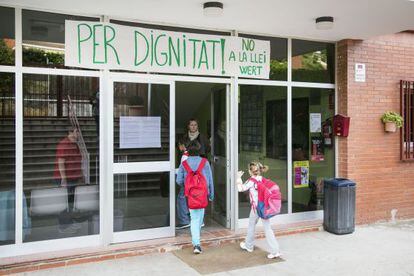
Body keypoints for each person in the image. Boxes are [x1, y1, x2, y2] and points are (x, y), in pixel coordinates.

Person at [237, 161, 282, 259]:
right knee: (264, 227)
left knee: (252, 225)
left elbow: (240, 189)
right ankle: (274, 250)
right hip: (264, 207)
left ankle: (250, 246)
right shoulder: (262, 179)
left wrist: (238, 178)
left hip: (256, 208)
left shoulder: (251, 181)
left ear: (250, 171)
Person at [176, 140, 214, 254]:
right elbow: (209, 180)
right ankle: (196, 244)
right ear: (199, 150)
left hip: (191, 195)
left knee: (194, 218)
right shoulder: (205, 162)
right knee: (199, 219)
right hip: (202, 194)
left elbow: (179, 181)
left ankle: (196, 243)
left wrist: (188, 185)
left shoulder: (184, 164)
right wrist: (211, 194)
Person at [176, 118, 211, 229]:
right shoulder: (183, 138)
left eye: (195, 125)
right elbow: (179, 151)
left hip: (199, 168)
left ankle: (198, 220)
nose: (193, 127)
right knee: (184, 195)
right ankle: (186, 219)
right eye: (191, 125)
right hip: (187, 168)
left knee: (198, 193)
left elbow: (208, 149)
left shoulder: (203, 138)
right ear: (188, 126)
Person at [53, 127, 83, 234]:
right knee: (63, 203)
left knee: (70, 202)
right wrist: (64, 179)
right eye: (77, 132)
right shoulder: (64, 144)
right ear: (71, 132)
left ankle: (69, 222)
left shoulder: (75, 144)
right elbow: (61, 162)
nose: (79, 134)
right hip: (65, 179)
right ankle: (63, 226)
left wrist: (80, 175)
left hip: (73, 178)